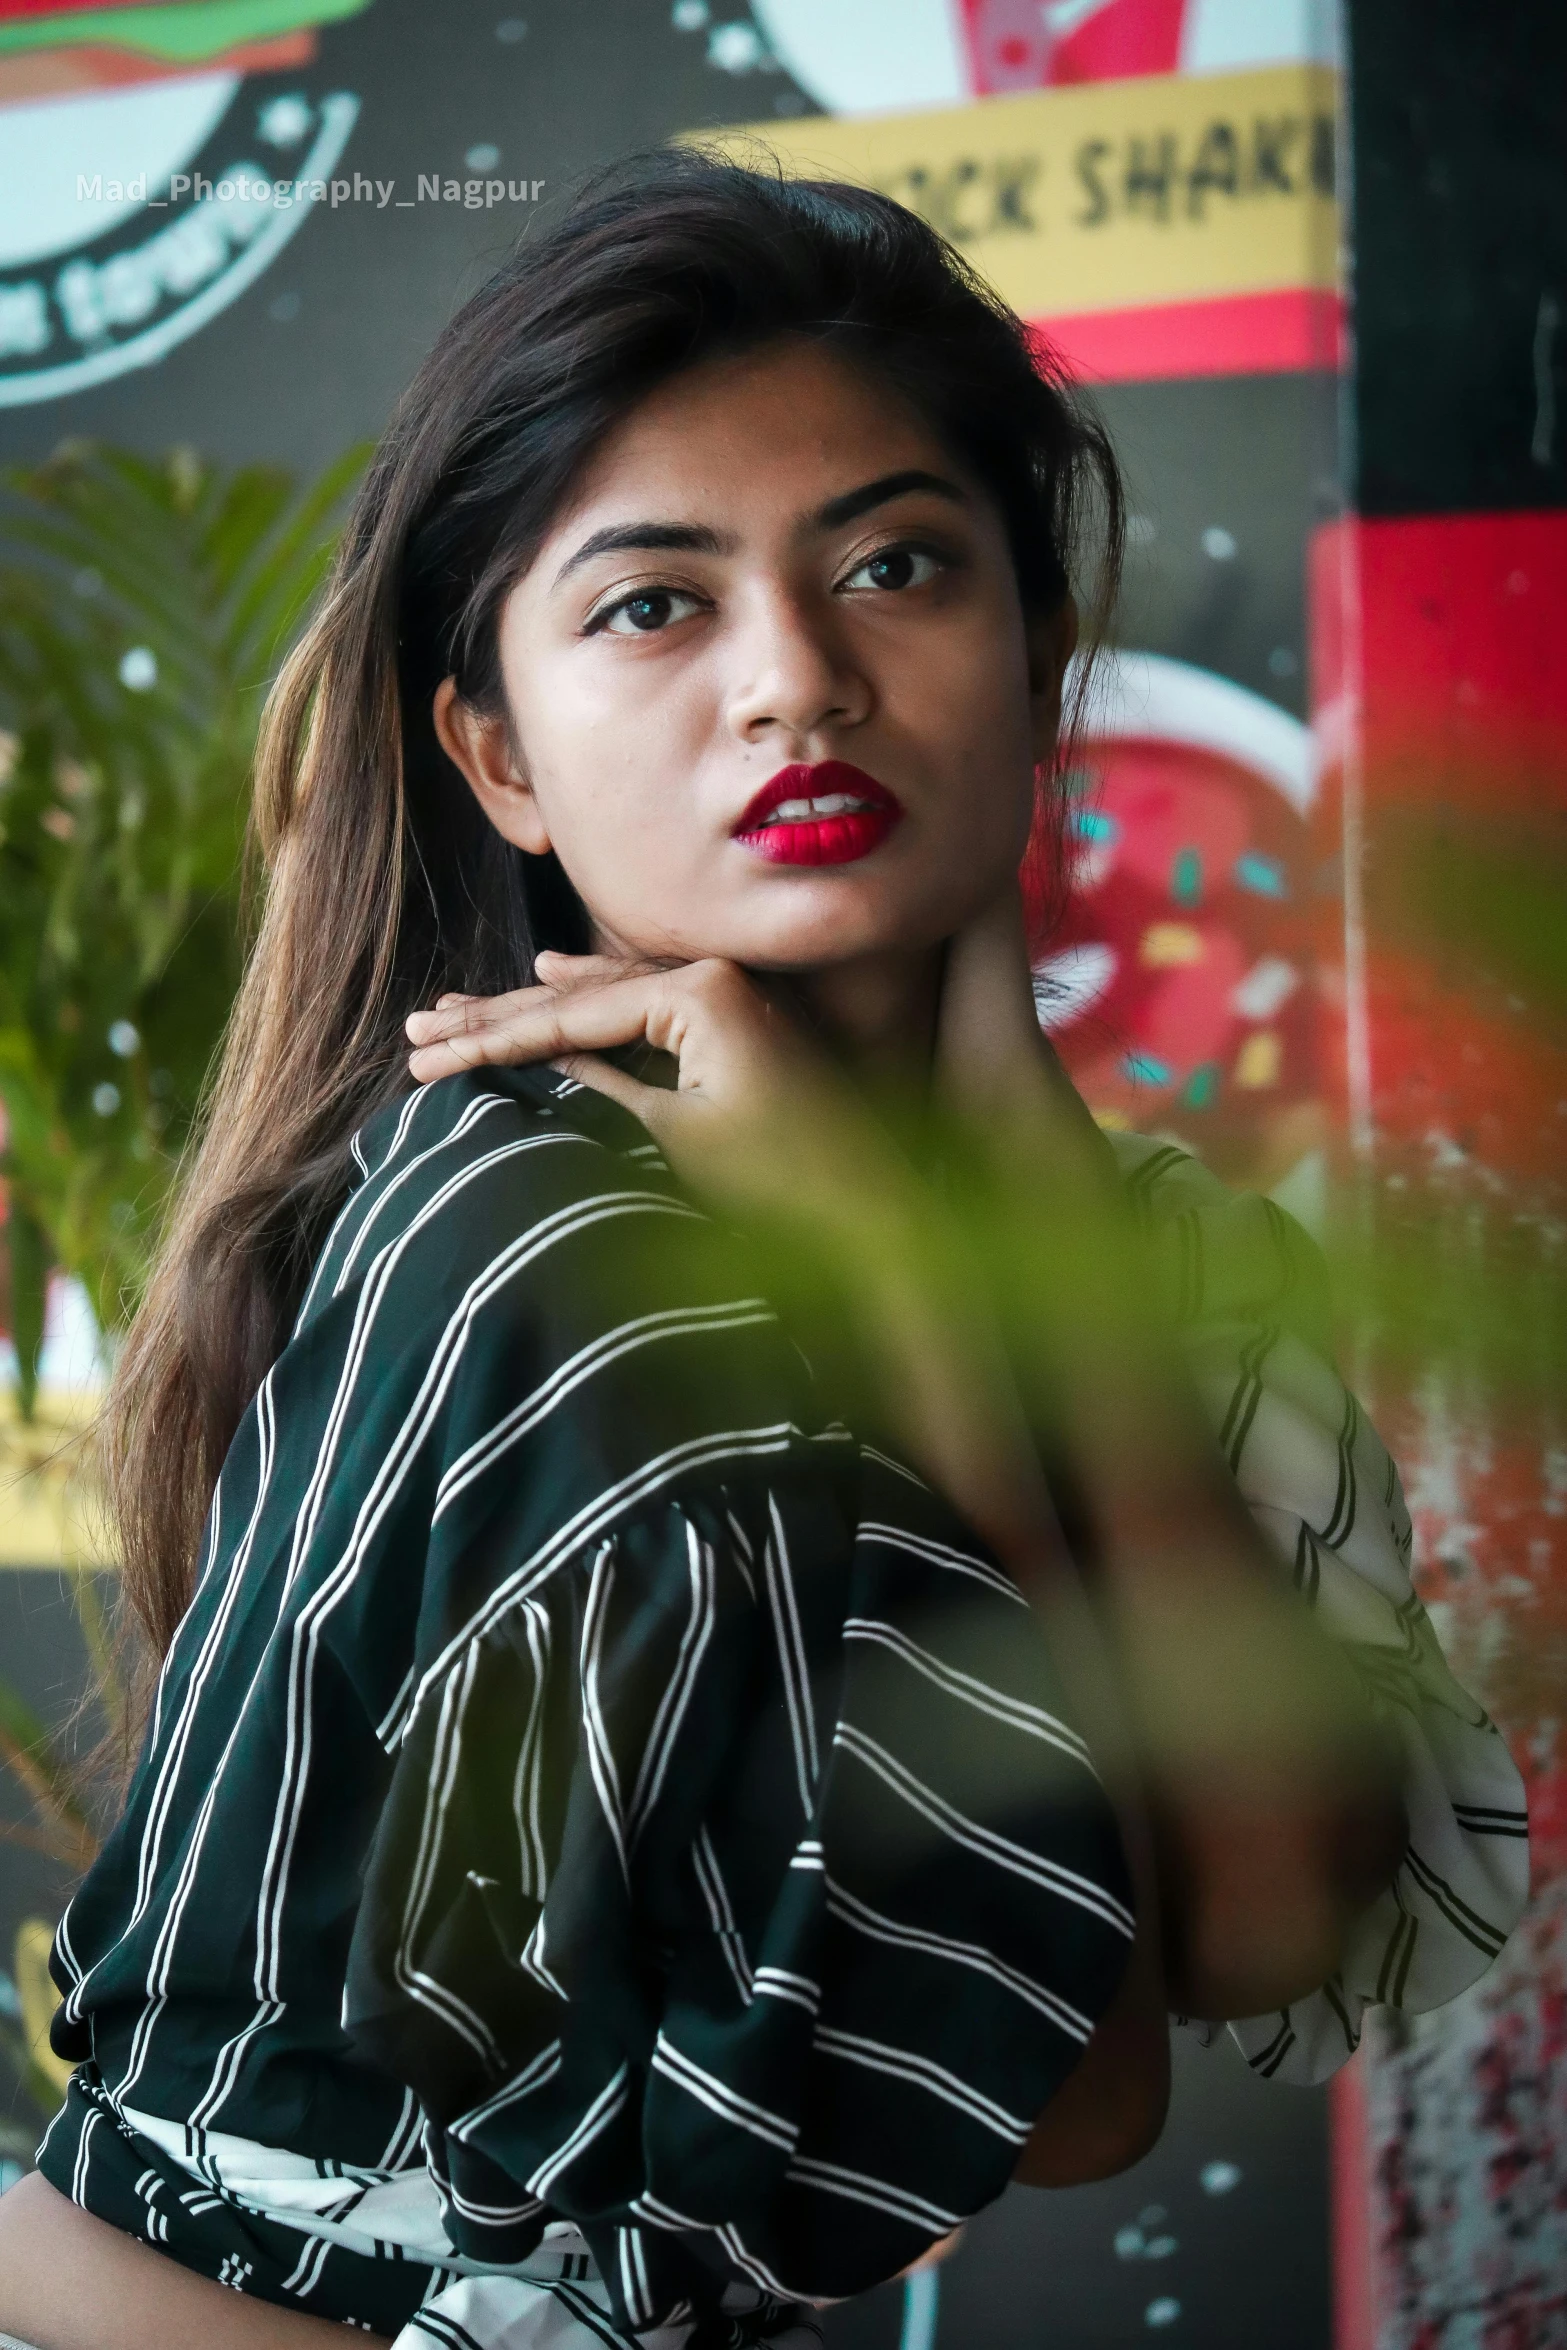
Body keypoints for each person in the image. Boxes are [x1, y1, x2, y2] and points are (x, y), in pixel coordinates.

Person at [0, 151, 1527, 2350]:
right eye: (654, 603)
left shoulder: (1157, 1257)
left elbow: (1281, 1917)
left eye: (897, 563)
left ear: (1033, 647)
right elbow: (1059, 2085)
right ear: (498, 754)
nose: (795, 680)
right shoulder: (529, 1239)